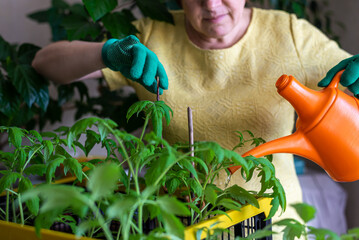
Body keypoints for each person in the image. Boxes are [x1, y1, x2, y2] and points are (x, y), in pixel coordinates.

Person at [32, 0, 359, 237]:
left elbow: (349, 82)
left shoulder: (289, 34)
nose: (212, 5)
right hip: (177, 226)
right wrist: (106, 53)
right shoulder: (151, 35)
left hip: (272, 225)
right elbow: (44, 63)